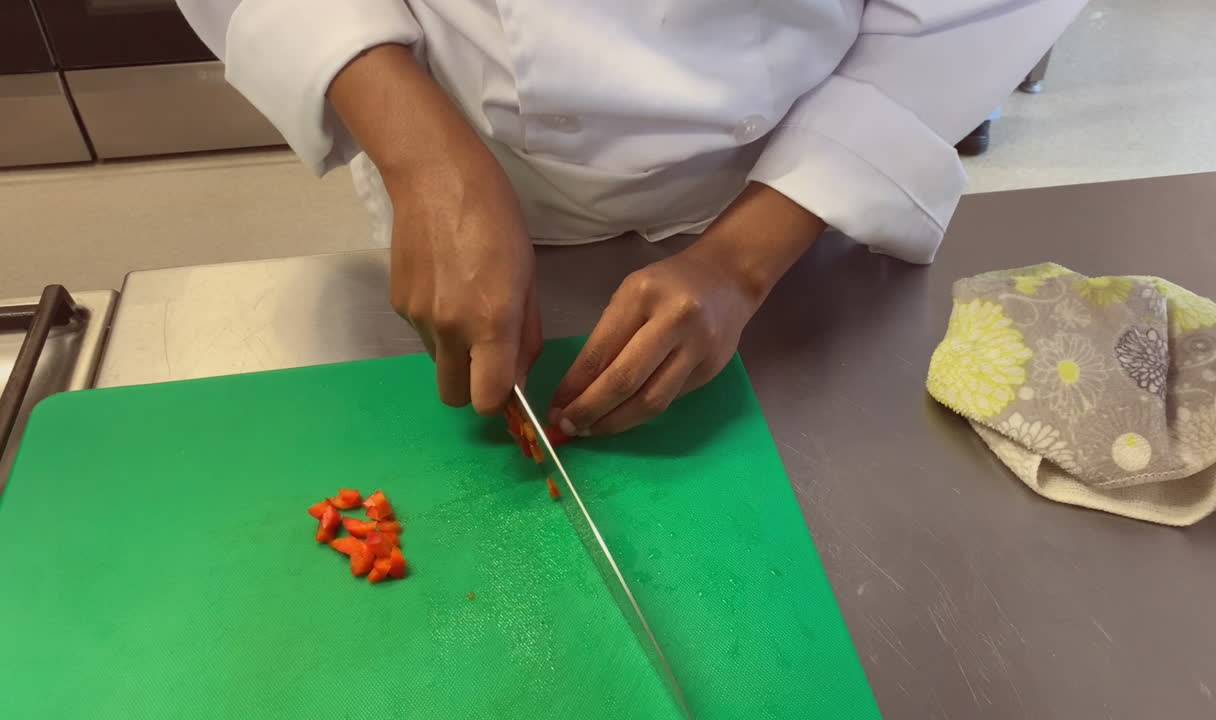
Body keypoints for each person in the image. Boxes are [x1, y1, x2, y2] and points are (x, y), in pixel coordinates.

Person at [176, 0, 1083, 437]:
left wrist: (740, 261)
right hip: (455, 123)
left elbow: (974, 13)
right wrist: (419, 153)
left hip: (791, 156)